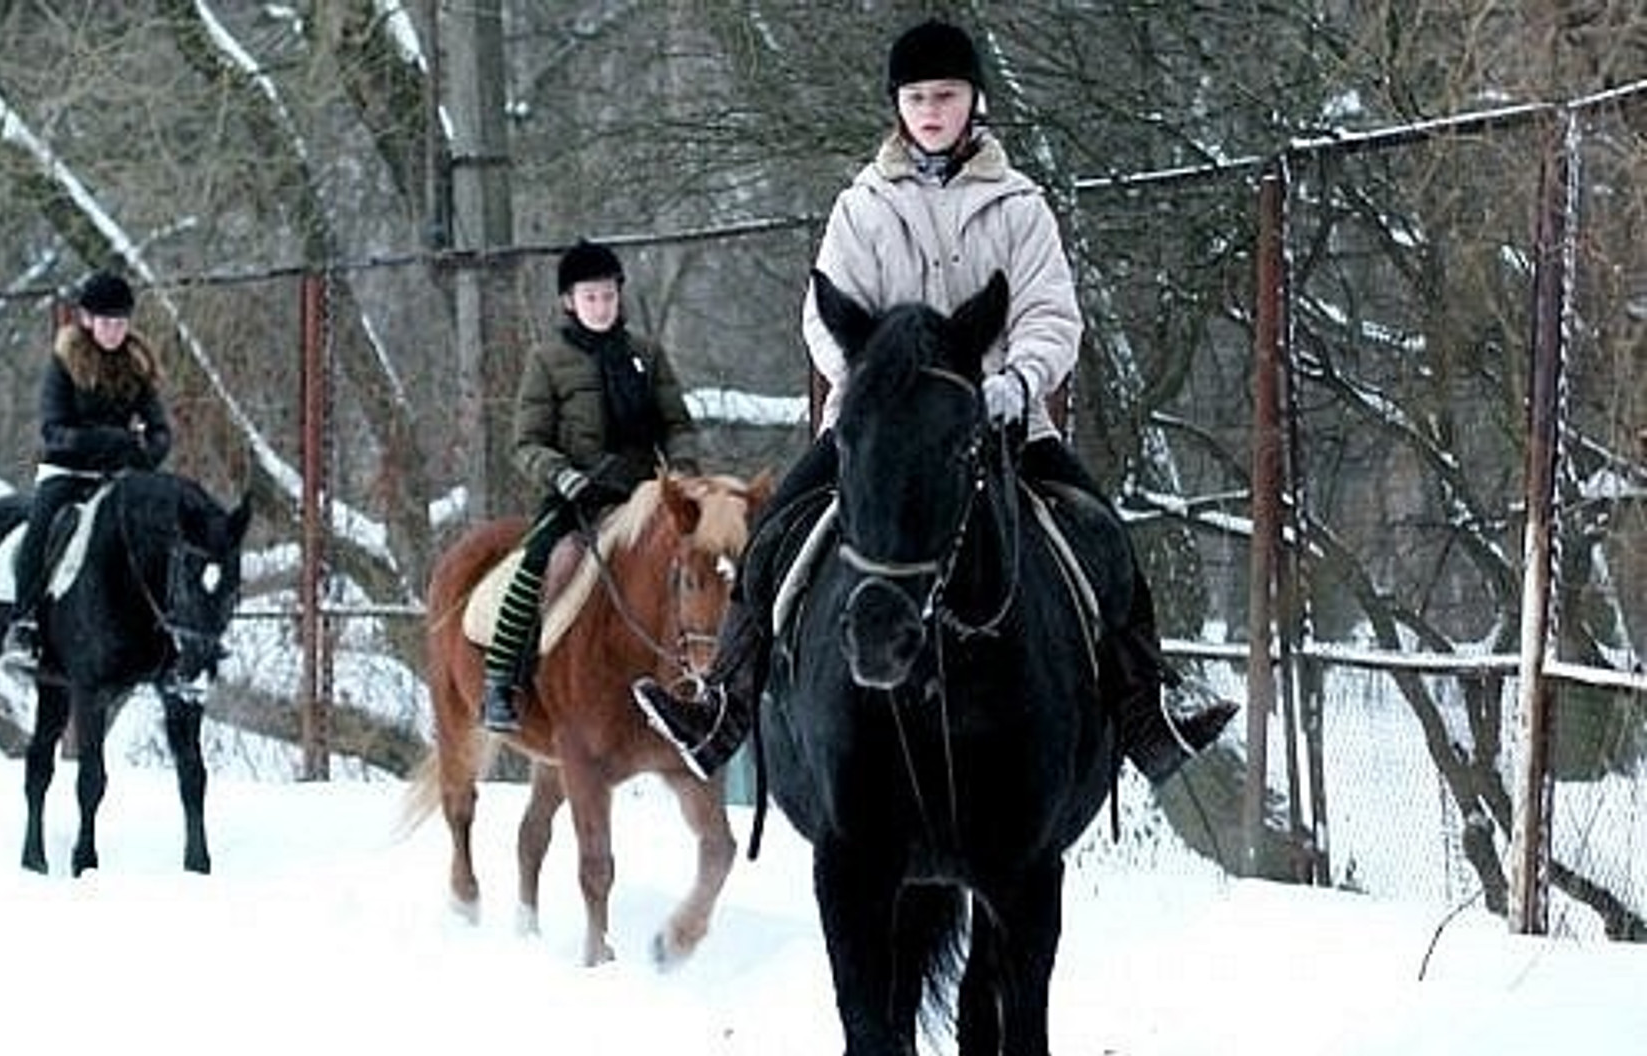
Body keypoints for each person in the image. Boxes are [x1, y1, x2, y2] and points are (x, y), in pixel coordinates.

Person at [633, 18, 1236, 784]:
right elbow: (825, 312)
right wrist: (864, 391)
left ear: (973, 101)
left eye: (944, 95)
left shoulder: (1020, 206)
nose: (930, 109)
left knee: (1101, 533)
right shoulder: (862, 207)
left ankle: (1146, 714)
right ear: (897, 106)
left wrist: (1017, 382)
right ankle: (726, 703)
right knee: (778, 532)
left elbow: (1052, 314)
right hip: (881, 433)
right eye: (916, 97)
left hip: (1001, 420)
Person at [480, 239, 698, 731]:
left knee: (703, 557)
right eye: (590, 297)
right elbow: (526, 442)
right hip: (577, 494)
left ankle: (703, 680)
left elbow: (677, 425)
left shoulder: (647, 354)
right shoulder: (547, 359)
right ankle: (502, 679)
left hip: (645, 493)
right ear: (570, 302)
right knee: (540, 559)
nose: (601, 306)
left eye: (608, 295)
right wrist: (561, 474)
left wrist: (681, 468)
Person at [1, 269, 172, 671]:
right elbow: (53, 429)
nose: (115, 331)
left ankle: (163, 628)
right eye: (107, 322)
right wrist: (108, 441)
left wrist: (152, 451)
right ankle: (23, 623)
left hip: (119, 476)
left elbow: (159, 426)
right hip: (66, 472)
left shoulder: (138, 365)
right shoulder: (64, 363)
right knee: (41, 529)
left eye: (121, 322)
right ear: (88, 320)